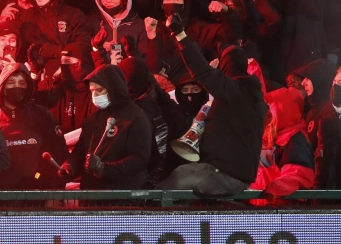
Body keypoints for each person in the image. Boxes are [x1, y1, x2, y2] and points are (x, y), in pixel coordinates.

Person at [159, 14, 266, 196]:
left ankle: (157, 223)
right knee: (178, 174)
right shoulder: (253, 97)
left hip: (226, 175)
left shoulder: (235, 91)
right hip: (231, 172)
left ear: (225, 66)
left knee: (167, 189)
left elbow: (200, 69)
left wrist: (180, 34)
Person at [60, 63, 151, 189]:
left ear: (114, 88)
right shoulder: (91, 120)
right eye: (92, 91)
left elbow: (139, 159)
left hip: (122, 196)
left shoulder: (136, 117)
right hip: (91, 196)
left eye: (99, 90)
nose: (95, 95)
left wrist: (104, 169)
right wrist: (69, 165)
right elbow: (80, 151)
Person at [0, 63, 67, 189]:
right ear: (2, 85)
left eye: (22, 82)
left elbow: (58, 151)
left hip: (35, 191)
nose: (17, 86)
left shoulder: (42, 114)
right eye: (11, 82)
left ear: (28, 86)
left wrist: (40, 179)